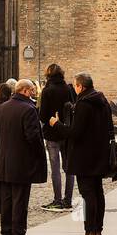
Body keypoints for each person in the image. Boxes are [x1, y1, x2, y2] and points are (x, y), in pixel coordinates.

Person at [50, 72, 111, 235]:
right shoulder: (102, 101)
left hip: (85, 156)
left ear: (81, 86)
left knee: (88, 194)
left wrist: (57, 124)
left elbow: (75, 133)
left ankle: (90, 233)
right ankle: (97, 231)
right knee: (97, 193)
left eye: (75, 86)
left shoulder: (84, 104)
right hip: (99, 153)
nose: (74, 89)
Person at [0, 78, 46, 235]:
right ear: (24, 90)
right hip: (22, 162)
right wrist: (39, 155)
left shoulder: (1, 108)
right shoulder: (28, 109)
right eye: (31, 91)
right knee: (20, 200)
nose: (33, 93)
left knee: (7, 200)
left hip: (3, 161)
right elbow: (33, 137)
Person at [38, 63, 76, 211]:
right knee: (69, 168)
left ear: (48, 75)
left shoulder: (47, 91)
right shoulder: (69, 89)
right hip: (67, 133)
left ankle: (57, 199)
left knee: (55, 168)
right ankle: (68, 199)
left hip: (52, 134)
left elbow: (42, 115)